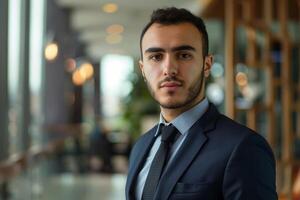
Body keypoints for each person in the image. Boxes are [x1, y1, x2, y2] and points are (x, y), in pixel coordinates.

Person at [125, 7, 277, 200]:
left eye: (184, 55)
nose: (169, 69)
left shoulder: (243, 148)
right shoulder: (141, 146)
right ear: (143, 69)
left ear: (207, 64)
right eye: (156, 57)